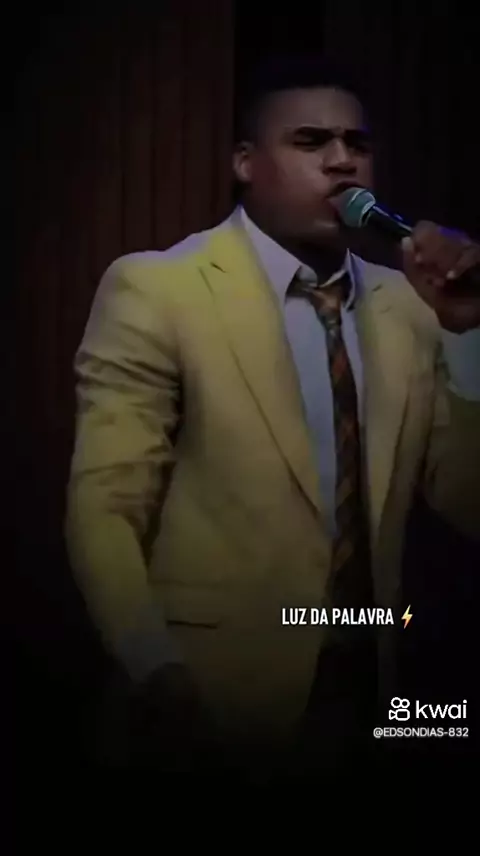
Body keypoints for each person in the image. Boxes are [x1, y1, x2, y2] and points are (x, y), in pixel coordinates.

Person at [65, 56, 480, 779]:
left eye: (357, 144)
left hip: (372, 701)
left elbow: (465, 501)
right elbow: (104, 510)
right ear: (245, 163)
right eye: (311, 141)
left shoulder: (411, 306)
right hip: (202, 700)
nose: (342, 161)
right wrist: (155, 668)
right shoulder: (159, 289)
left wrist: (467, 337)